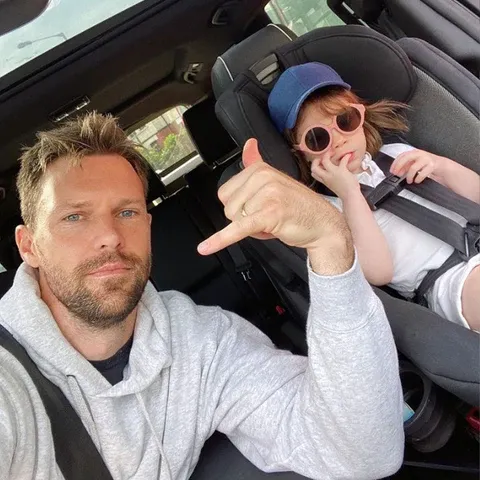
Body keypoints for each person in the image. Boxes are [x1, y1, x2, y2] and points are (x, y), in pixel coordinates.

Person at [0, 112, 403, 480]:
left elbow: (362, 454)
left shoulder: (202, 342)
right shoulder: (9, 382)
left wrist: (330, 241)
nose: (109, 236)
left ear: (148, 225)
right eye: (74, 216)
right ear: (29, 246)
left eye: (127, 212)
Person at [268, 62, 480, 332]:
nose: (339, 140)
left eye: (345, 120)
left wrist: (441, 166)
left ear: (362, 117)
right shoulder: (328, 209)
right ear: (302, 153)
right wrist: (350, 194)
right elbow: (379, 271)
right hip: (450, 282)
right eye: (318, 138)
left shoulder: (397, 153)